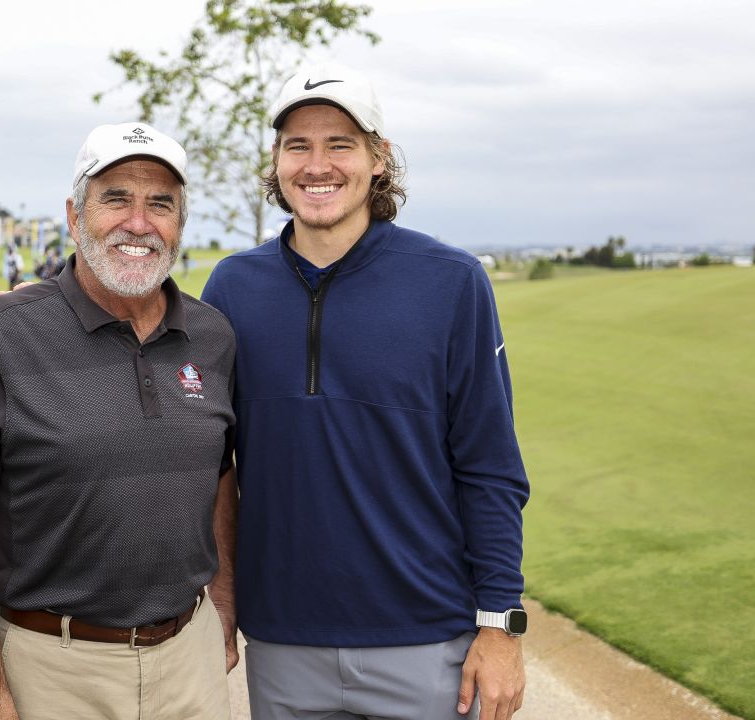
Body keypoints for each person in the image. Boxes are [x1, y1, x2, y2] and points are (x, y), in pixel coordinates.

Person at [200, 63, 531, 720]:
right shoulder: (232, 289)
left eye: (340, 144)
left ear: (379, 159)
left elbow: (490, 467)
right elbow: (212, 464)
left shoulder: (452, 283)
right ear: (276, 160)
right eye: (298, 145)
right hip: (284, 643)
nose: (317, 164)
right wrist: (223, 594)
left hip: (427, 639)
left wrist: (499, 626)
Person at [0, 121, 238, 720]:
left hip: (191, 660)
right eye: (116, 199)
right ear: (75, 216)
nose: (139, 223)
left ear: (179, 224)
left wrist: (226, 603)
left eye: (160, 203)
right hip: (52, 668)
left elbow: (219, 478)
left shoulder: (212, 337)